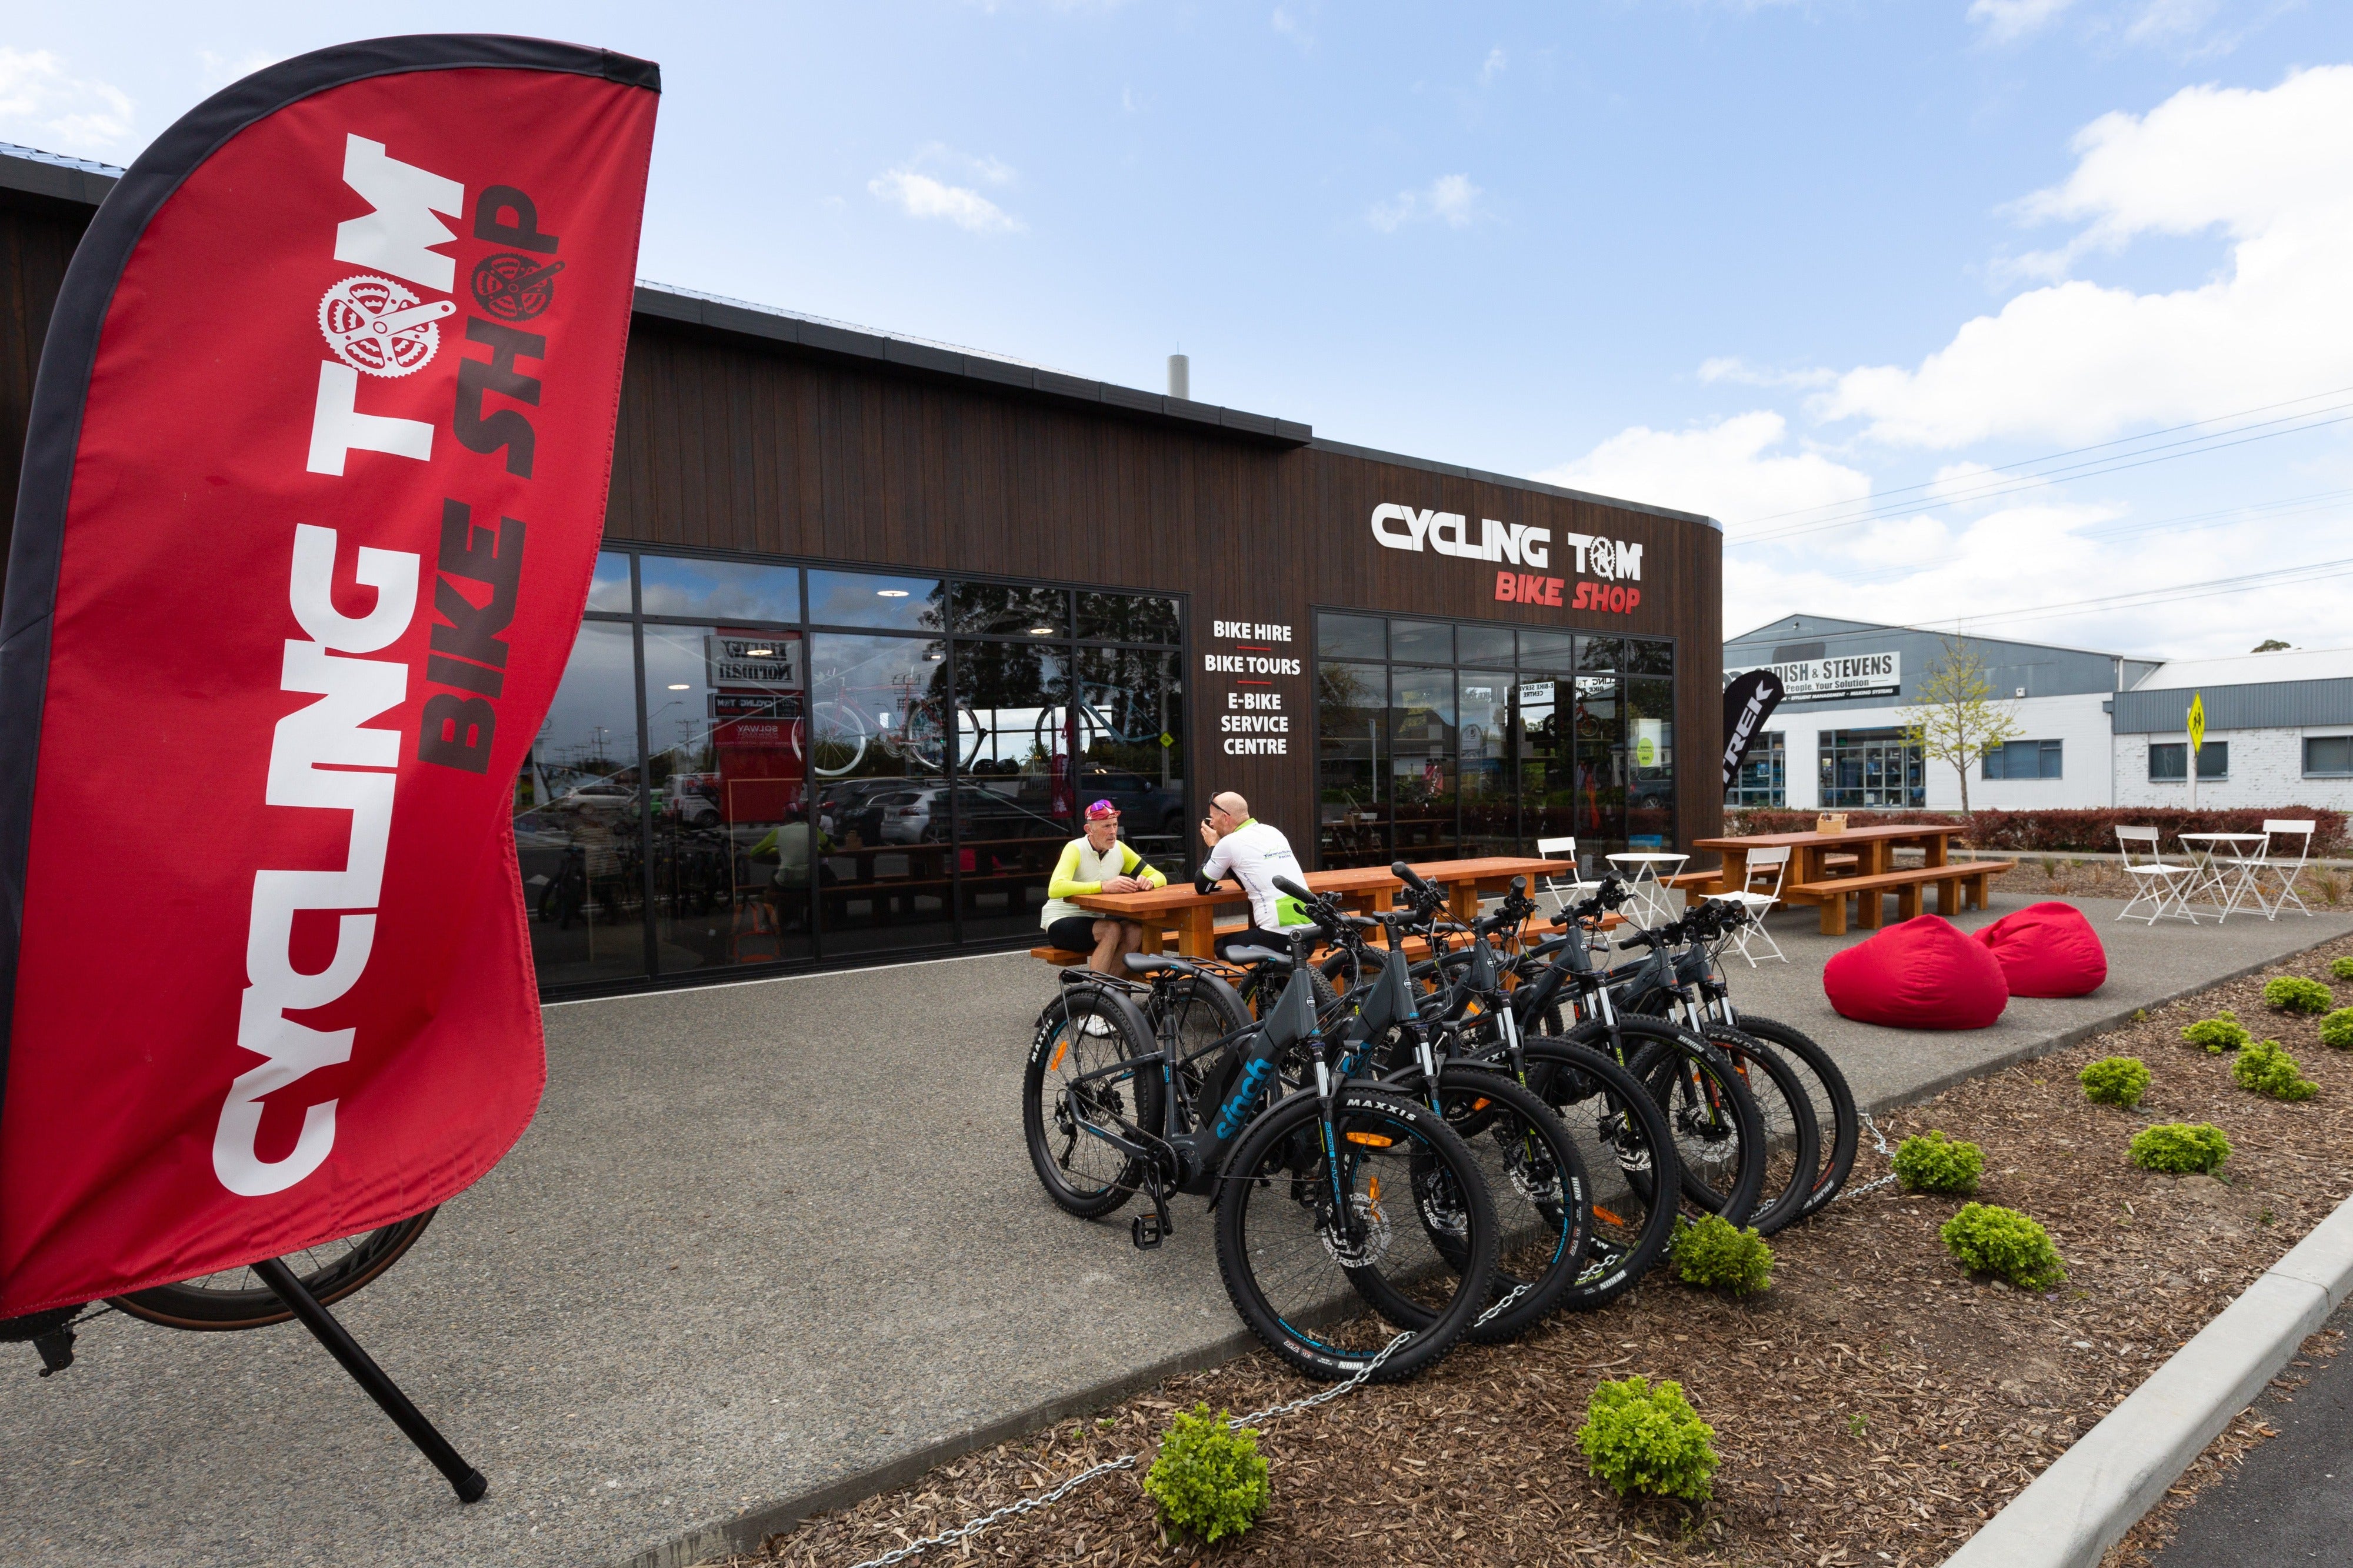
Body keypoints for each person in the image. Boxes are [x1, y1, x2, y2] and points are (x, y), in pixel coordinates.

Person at [1041, 798, 1168, 976]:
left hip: (1094, 921)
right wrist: (1103, 886)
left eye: (1115, 825)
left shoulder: (1120, 850)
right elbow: (1055, 888)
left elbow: (1159, 876)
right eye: (1106, 827)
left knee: (1135, 930)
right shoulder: (1075, 848)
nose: (1113, 832)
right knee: (1111, 930)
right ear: (1089, 830)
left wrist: (1150, 882)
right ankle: (1096, 990)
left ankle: (1108, 990)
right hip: (1060, 920)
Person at [1195, 791, 1314, 959]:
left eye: (1212, 818)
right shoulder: (1273, 832)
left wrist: (1214, 846)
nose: (1211, 824)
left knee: (1212, 950)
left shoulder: (1228, 843)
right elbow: (1246, 881)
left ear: (1225, 818)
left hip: (1281, 939)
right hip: (1310, 938)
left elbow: (1202, 886)